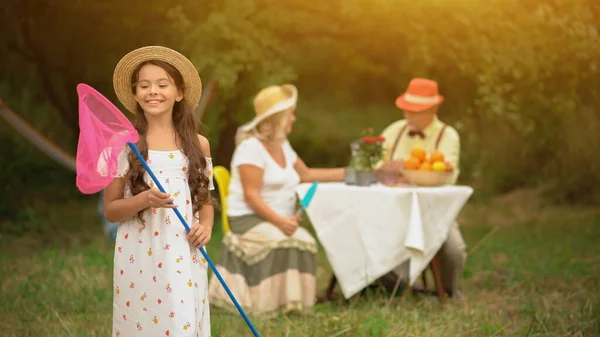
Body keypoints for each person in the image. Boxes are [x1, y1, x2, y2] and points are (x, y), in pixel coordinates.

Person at [102, 46, 215, 336]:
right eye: (144, 85)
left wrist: (207, 226)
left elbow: (204, 197)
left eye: (162, 84)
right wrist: (143, 200)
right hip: (139, 253)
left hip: (183, 248)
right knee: (144, 318)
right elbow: (111, 210)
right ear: (136, 93)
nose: (153, 91)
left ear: (178, 93)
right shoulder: (123, 144)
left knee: (181, 318)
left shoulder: (198, 144)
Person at [208, 84, 344, 315]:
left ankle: (293, 304)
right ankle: (265, 306)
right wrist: (280, 222)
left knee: (307, 242)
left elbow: (307, 175)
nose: (294, 118)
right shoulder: (251, 148)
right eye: (289, 113)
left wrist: (349, 174)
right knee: (287, 241)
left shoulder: (283, 145)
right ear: (278, 118)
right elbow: (251, 197)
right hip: (248, 219)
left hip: (276, 219)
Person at [377, 77, 467, 298]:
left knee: (454, 249)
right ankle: (394, 288)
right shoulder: (394, 131)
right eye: (407, 109)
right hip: (393, 209)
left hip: (433, 210)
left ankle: (446, 291)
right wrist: (387, 168)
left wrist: (404, 170)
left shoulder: (448, 135)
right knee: (372, 236)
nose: (409, 115)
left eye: (415, 111)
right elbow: (376, 163)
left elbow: (446, 174)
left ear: (433, 109)